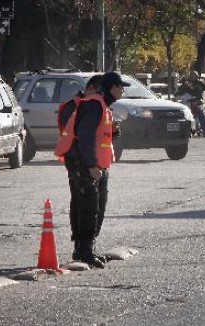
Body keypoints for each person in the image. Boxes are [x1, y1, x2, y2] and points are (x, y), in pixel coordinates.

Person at [56, 71, 128, 268]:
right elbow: (85, 137)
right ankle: (84, 250)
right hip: (85, 163)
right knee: (88, 207)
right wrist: (91, 166)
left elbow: (97, 137)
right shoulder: (95, 104)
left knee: (94, 207)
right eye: (121, 87)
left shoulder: (102, 105)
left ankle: (86, 248)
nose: (122, 91)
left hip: (95, 164)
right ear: (113, 87)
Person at [176, 71, 205, 136]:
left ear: (197, 77)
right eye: (192, 75)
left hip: (197, 101)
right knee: (185, 114)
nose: (193, 77)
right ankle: (186, 131)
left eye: (195, 76)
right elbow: (180, 91)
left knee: (200, 113)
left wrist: (197, 101)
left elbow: (202, 92)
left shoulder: (200, 84)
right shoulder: (187, 83)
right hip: (188, 101)